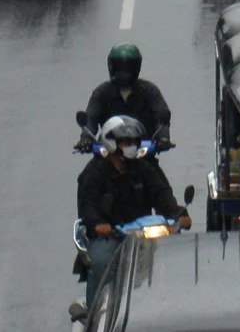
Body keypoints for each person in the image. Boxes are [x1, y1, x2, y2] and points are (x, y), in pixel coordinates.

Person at [75, 116, 190, 311]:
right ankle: (95, 311)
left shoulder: (143, 168)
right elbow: (87, 205)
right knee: (102, 262)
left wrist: (179, 214)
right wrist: (98, 224)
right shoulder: (94, 172)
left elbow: (161, 194)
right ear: (112, 143)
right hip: (110, 236)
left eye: (134, 142)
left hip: (142, 233)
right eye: (126, 142)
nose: (132, 146)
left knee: (173, 258)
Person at [83, 44, 171, 147]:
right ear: (112, 67)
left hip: (141, 147)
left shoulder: (150, 91)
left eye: (128, 68)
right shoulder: (101, 92)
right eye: (119, 68)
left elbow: (160, 115)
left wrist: (163, 137)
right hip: (109, 147)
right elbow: (91, 118)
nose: (123, 72)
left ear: (136, 68)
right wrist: (86, 138)